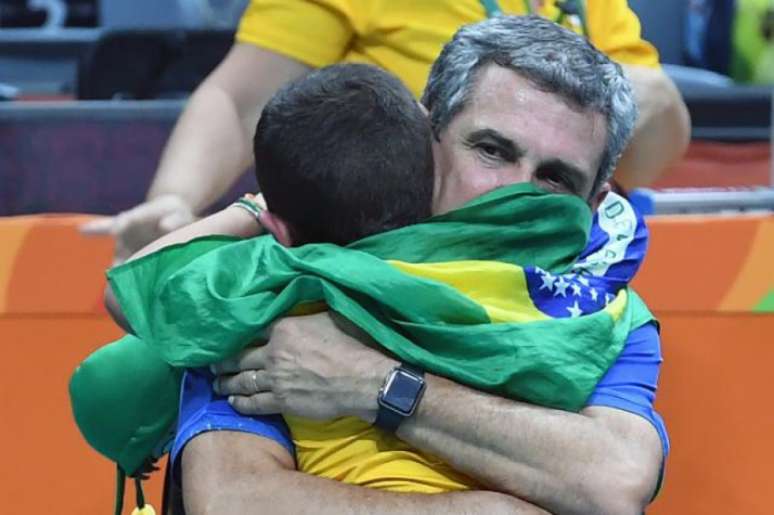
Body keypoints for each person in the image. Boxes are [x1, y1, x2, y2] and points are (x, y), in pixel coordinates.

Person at [172, 16, 666, 515]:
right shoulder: (297, 267)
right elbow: (230, 499)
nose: (517, 193)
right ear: (424, 137)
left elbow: (613, 481)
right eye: (492, 151)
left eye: (556, 177)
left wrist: (374, 383)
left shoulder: (602, 314)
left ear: (595, 202)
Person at [81, 0, 690, 265]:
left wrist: (643, 101)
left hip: (557, 270)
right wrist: (177, 198)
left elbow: (647, 155)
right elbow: (240, 99)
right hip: (389, 260)